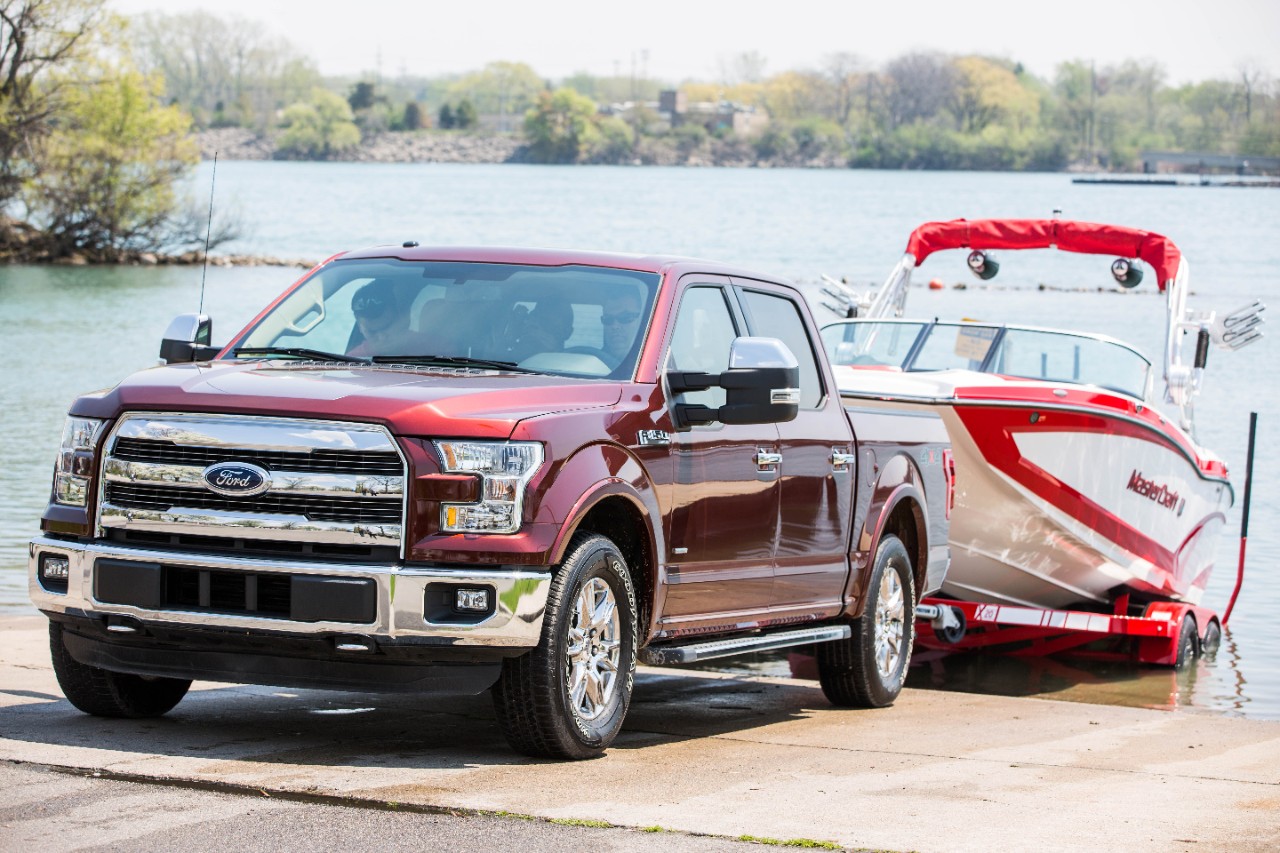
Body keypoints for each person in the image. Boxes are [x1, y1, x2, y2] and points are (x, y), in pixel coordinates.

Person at [347, 279, 413, 357]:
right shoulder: (352, 363)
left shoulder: (427, 348)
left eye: (387, 327)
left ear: (400, 317)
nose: (382, 338)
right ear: (360, 328)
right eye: (372, 332)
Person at [601, 288, 643, 365]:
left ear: (643, 320)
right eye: (608, 319)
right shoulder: (590, 365)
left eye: (625, 317)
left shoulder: (658, 366)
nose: (615, 326)